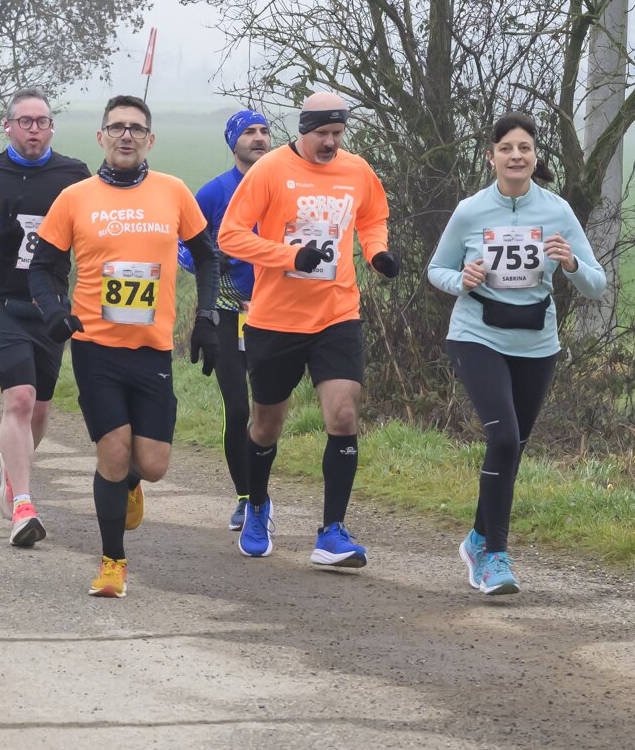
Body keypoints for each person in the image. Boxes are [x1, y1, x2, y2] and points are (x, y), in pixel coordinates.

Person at [28, 94, 220, 597]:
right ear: (101, 137)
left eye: (136, 128)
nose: (126, 135)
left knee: (151, 465)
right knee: (112, 453)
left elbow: (207, 256)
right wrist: (54, 313)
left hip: (153, 349)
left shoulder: (173, 191)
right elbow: (42, 268)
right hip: (96, 347)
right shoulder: (75, 198)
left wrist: (207, 317)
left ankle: (131, 484)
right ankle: (112, 562)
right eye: (117, 127)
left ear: (150, 139)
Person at [427, 112, 604, 596]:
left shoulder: (557, 211)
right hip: (476, 335)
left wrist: (571, 263)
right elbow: (437, 269)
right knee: (503, 438)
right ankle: (494, 556)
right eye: (506, 148)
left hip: (537, 343)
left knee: (513, 447)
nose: (516, 156)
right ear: (491, 156)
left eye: (524, 148)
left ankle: (477, 538)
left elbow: (596, 283)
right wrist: (461, 279)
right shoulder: (470, 211)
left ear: (535, 155)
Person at [217, 92, 398, 565]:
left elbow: (372, 218)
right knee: (266, 425)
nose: (331, 143)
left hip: (337, 314)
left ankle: (332, 532)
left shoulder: (356, 170)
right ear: (303, 129)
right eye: (322, 134)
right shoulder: (270, 170)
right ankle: (257, 506)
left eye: (338, 133)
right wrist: (288, 256)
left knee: (344, 415)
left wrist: (377, 253)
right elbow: (231, 235)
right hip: (275, 319)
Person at [0, 89, 90, 547]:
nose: (34, 129)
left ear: (52, 127)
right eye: (25, 121)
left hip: (50, 305)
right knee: (19, 399)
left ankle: (12, 463)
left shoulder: (73, 175)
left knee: (39, 408)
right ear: (8, 127)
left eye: (42, 121)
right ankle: (23, 504)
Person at [177, 109, 273, 529]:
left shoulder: (284, 186)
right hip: (228, 315)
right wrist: (214, 258)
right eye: (249, 132)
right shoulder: (214, 192)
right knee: (236, 409)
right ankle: (246, 497)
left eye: (264, 130)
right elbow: (183, 247)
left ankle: (261, 492)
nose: (259, 138)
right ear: (233, 141)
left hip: (276, 315)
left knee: (267, 413)